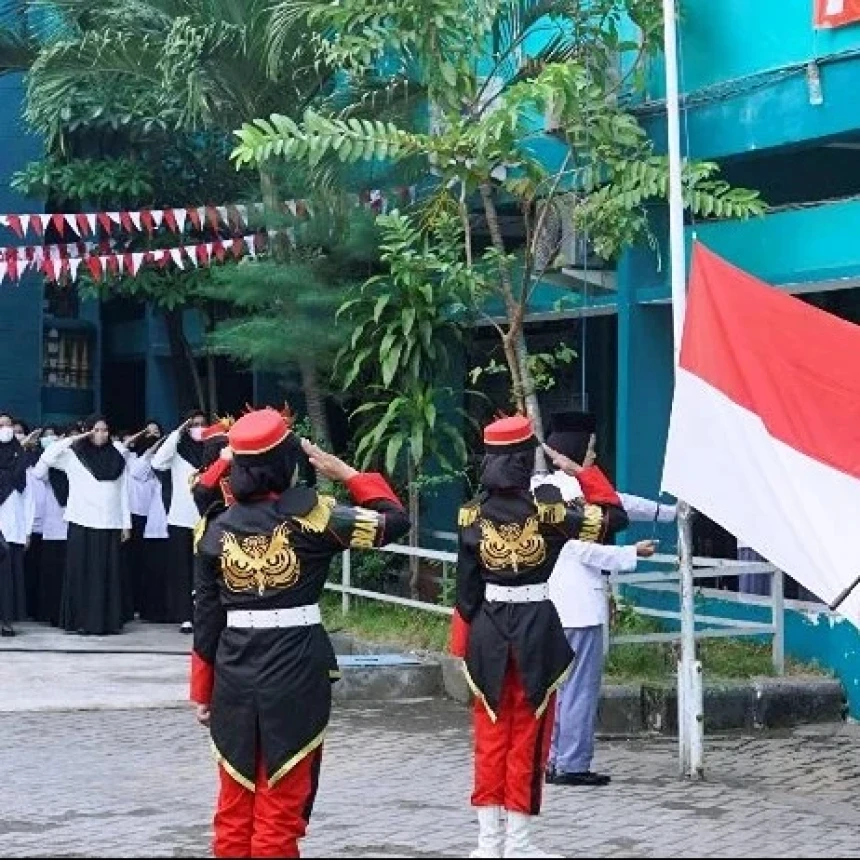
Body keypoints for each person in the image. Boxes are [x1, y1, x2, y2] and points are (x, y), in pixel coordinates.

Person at [191, 407, 410, 858]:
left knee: (233, 804)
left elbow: (208, 618)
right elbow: (394, 521)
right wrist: (344, 471)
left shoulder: (211, 529)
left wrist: (202, 689)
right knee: (281, 805)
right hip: (294, 669)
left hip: (233, 670)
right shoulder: (318, 519)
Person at [449, 415, 628, 859]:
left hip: (487, 632)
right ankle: (520, 845)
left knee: (489, 738)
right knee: (528, 738)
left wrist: (461, 645)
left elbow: (465, 590)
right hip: (535, 628)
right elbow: (614, 518)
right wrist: (581, 471)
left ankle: (486, 846)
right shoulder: (548, 511)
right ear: (525, 457)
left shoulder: (470, 514)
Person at [536, 411, 672, 788]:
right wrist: (632, 555)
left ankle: (553, 759)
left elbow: (618, 501)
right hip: (577, 606)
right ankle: (573, 764)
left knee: (559, 687)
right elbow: (583, 548)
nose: (594, 455)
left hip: (551, 604)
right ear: (576, 450)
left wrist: (669, 513)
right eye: (590, 448)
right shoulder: (573, 493)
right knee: (579, 687)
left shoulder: (545, 488)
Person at [37, 417, 131, 636]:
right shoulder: (73, 456)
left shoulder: (117, 456)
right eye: (96, 430)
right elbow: (48, 456)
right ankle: (80, 620)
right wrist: (75, 438)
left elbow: (122, 492)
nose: (101, 434)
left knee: (106, 574)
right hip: (82, 521)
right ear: (88, 432)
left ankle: (106, 622)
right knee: (82, 573)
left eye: (105, 430)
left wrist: (126, 523)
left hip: (109, 522)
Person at [152, 411, 225, 633]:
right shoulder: (177, 451)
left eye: (202, 424)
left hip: (207, 518)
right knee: (181, 571)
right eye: (193, 425)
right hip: (180, 519)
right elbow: (158, 461)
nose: (198, 428)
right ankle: (185, 616)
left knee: (205, 570)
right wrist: (177, 433)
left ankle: (205, 614)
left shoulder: (213, 452)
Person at [0, 412, 35, 636]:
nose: (4, 428)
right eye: (0, 425)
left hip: (12, 525)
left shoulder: (21, 457)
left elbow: (28, 498)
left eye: (8, 424)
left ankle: (5, 620)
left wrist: (28, 530)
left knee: (6, 578)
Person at [32, 426, 69, 627]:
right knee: (53, 574)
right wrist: (51, 450)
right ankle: (52, 614)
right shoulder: (48, 467)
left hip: (72, 526)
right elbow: (38, 473)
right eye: (46, 436)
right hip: (53, 528)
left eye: (53, 435)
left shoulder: (71, 462)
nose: (50, 439)